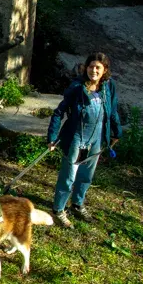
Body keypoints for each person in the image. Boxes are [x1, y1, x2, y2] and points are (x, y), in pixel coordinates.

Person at [47, 52, 122, 228]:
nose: (93, 71)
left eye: (98, 67)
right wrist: (52, 137)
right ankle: (58, 209)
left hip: (96, 139)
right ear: (86, 68)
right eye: (90, 67)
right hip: (77, 139)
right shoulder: (77, 88)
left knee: (86, 176)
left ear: (105, 71)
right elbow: (59, 112)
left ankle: (77, 204)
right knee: (69, 177)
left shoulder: (108, 87)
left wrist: (116, 133)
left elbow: (112, 111)